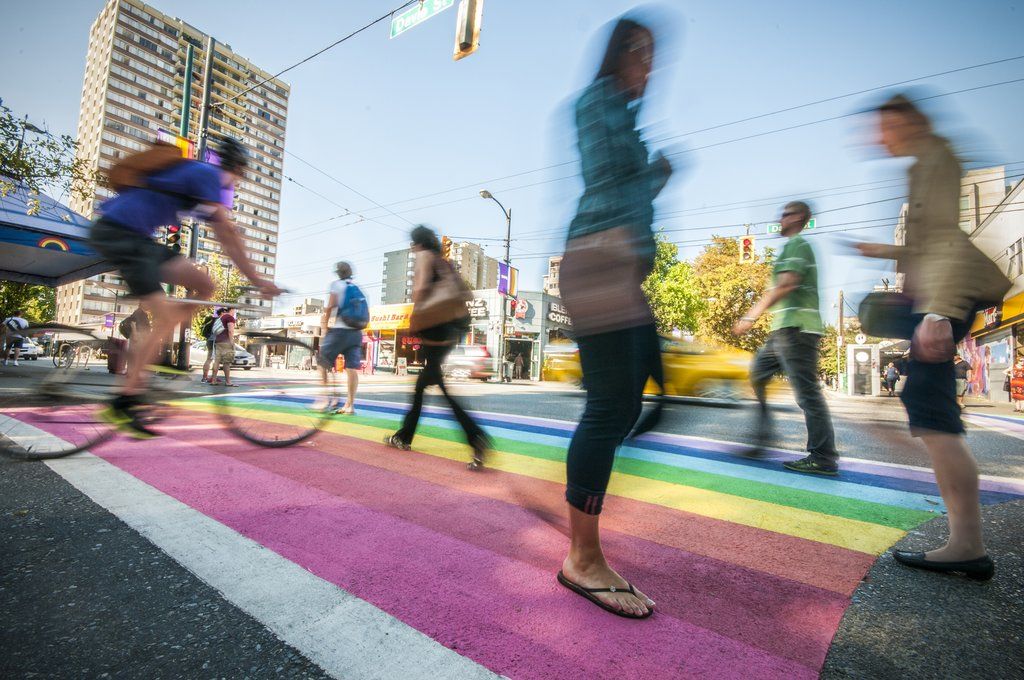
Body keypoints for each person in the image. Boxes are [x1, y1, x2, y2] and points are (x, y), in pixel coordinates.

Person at [855, 94, 1011, 580]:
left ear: (906, 121)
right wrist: (888, 248)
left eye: (885, 126)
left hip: (946, 300)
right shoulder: (925, 160)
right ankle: (966, 539)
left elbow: (945, 238)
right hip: (938, 300)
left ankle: (967, 543)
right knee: (930, 411)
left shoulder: (936, 156)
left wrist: (937, 314)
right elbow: (928, 242)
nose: (879, 137)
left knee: (935, 417)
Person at [556, 17, 671, 620]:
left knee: (631, 401)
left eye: (654, 58)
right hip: (601, 259)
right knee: (609, 407)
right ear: (618, 54)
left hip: (617, 267)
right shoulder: (599, 102)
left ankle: (585, 535)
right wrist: (646, 181)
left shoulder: (623, 115)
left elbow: (624, 183)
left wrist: (654, 176)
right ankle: (582, 559)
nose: (648, 68)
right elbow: (605, 179)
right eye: (640, 54)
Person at [89, 137, 282, 437]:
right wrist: (259, 282)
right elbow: (227, 234)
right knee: (168, 315)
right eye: (240, 177)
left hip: (135, 238)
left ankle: (157, 348)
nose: (237, 186)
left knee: (205, 284)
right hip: (121, 235)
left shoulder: (197, 176)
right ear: (237, 170)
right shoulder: (207, 176)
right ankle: (124, 400)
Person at [733, 201, 840, 475]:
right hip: (782, 331)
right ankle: (762, 439)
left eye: (786, 214)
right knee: (757, 374)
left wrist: (750, 315)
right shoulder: (791, 246)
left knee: (807, 394)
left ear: (800, 217)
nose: (780, 219)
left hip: (797, 330)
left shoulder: (798, 244)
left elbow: (787, 284)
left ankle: (823, 457)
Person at [384, 226, 491, 468]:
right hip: (452, 329)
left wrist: (414, 316)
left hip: (434, 328)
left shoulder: (425, 257)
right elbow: (464, 295)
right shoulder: (444, 261)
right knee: (425, 384)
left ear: (418, 244)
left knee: (435, 386)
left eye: (412, 244)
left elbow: (421, 289)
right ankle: (404, 436)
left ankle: (477, 438)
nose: (412, 248)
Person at [319, 261, 364, 414]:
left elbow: (331, 307)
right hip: (357, 333)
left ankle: (325, 400)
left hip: (340, 331)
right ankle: (350, 405)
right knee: (351, 369)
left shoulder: (336, 285)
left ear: (338, 272)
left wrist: (325, 327)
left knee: (322, 362)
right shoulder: (356, 287)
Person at [208, 306, 236, 387]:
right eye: (234, 310)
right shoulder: (230, 318)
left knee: (216, 361)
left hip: (218, 341)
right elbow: (230, 331)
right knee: (226, 363)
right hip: (226, 342)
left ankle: (213, 380)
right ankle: (228, 382)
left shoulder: (221, 317)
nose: (234, 312)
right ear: (231, 309)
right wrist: (232, 342)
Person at [200, 308, 223, 383]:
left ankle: (204, 377)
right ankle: (213, 378)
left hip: (209, 340)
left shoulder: (213, 320)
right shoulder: (220, 321)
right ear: (222, 313)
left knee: (209, 359)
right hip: (215, 341)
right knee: (216, 360)